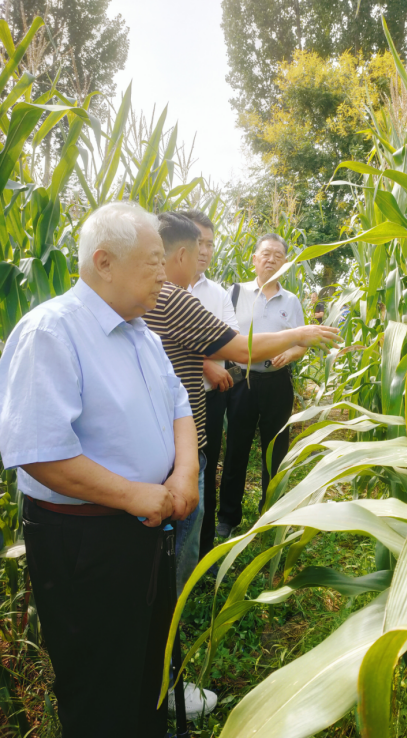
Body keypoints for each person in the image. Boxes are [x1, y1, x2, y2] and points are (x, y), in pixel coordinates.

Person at [0, 202, 199, 738]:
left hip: (146, 528)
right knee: (100, 684)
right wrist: (133, 496)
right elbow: (38, 449)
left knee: (146, 667)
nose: (165, 272)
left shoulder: (144, 334)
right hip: (85, 541)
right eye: (153, 260)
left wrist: (184, 476)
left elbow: (180, 405)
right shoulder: (52, 332)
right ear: (104, 262)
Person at [144, 217, 339, 570]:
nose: (204, 256)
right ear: (183, 253)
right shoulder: (176, 298)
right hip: (224, 394)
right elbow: (240, 349)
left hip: (200, 415)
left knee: (273, 450)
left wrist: (294, 344)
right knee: (226, 460)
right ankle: (179, 598)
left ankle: (266, 516)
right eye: (198, 248)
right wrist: (299, 334)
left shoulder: (144, 295)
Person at [217, 234, 308, 539]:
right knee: (236, 450)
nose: (270, 260)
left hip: (277, 383)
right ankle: (228, 517)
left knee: (276, 449)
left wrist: (290, 354)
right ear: (253, 259)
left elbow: (302, 344)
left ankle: (272, 512)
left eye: (278, 256)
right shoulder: (234, 294)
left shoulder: (291, 301)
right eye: (265, 254)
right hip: (242, 382)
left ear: (285, 263)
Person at [181, 210, 240, 562]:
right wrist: (207, 363)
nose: (205, 250)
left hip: (208, 398)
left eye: (210, 244)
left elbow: (230, 337)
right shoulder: (163, 289)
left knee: (206, 464)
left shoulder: (216, 292)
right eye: (199, 242)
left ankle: (202, 549)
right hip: (179, 397)